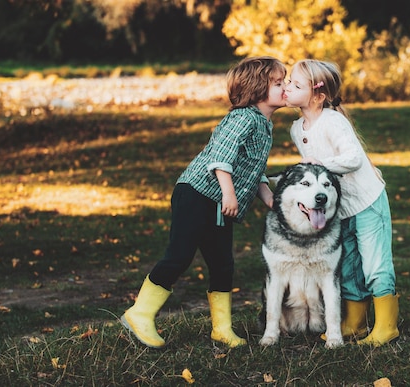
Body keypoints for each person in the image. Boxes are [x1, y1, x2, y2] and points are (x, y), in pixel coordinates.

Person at [121, 56, 287, 349]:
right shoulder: (243, 117)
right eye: (278, 82)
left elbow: (253, 167)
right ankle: (139, 313)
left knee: (223, 264)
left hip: (218, 202)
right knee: (179, 255)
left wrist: (270, 199)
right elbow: (220, 157)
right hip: (197, 194)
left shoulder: (264, 124)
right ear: (258, 88)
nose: (285, 86)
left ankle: (221, 329)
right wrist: (229, 193)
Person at [283, 59, 399, 346]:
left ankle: (387, 326)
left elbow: (352, 159)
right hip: (340, 208)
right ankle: (354, 323)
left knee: (374, 264)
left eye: (295, 85)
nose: (287, 87)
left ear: (317, 95)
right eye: (288, 82)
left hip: (367, 201)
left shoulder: (333, 122)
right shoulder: (297, 129)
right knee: (346, 265)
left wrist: (319, 163)